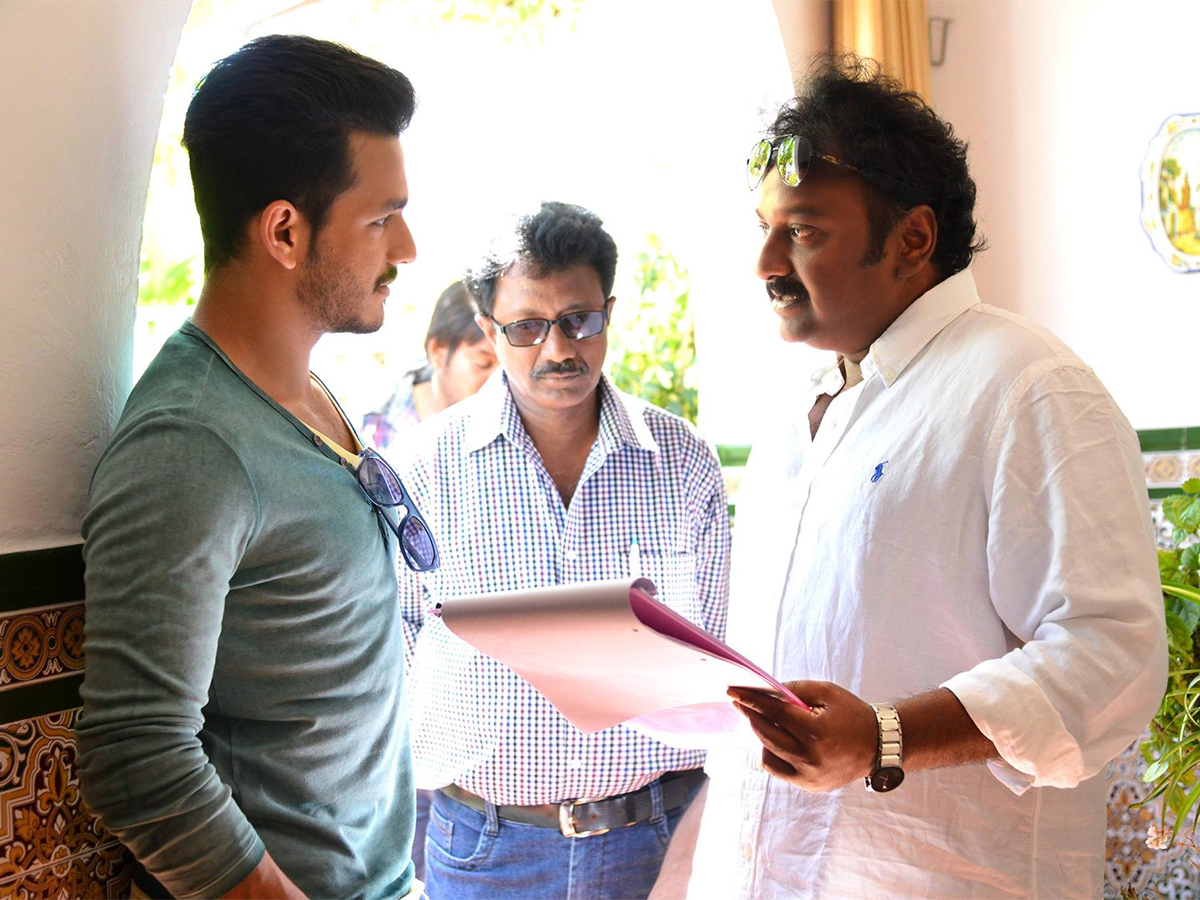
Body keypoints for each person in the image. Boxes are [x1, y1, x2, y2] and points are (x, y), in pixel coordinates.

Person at [659, 57, 1167, 898]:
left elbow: (1110, 660)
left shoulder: (1028, 387)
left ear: (913, 240)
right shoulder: (800, 408)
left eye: (803, 231)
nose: (765, 263)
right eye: (764, 228)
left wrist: (884, 739)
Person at [76, 35, 433, 900]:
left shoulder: (302, 391)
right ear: (284, 231)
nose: (407, 246)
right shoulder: (191, 444)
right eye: (381, 219)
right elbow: (136, 755)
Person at [397, 201, 731, 900]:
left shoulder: (682, 461)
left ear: (609, 312)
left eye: (579, 320)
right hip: (487, 849)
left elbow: (723, 663)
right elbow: (388, 660)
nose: (558, 349)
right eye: (526, 327)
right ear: (488, 326)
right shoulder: (423, 469)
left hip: (658, 838)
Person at [361, 279, 498, 453]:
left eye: (505, 369)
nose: (498, 379)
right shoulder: (378, 430)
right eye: (483, 364)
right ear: (438, 351)